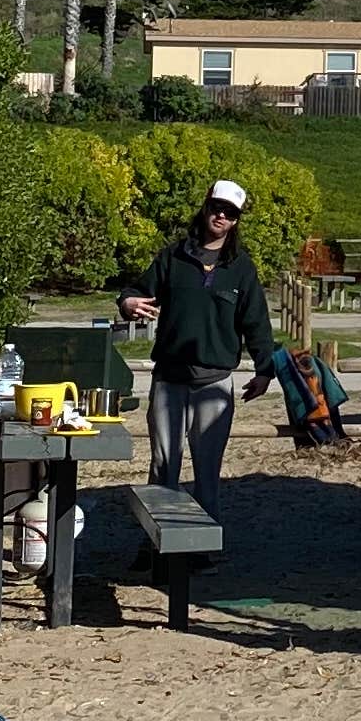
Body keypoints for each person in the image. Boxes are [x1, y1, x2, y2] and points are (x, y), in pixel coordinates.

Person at [120, 176, 281, 493]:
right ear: (206, 206)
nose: (221, 216)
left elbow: (257, 322)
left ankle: (203, 541)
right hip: (170, 380)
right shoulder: (173, 257)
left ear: (235, 222)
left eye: (230, 213)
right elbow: (136, 291)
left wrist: (266, 370)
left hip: (215, 383)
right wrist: (127, 303)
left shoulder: (242, 268)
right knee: (163, 467)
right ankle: (160, 541)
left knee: (208, 474)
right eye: (217, 208)